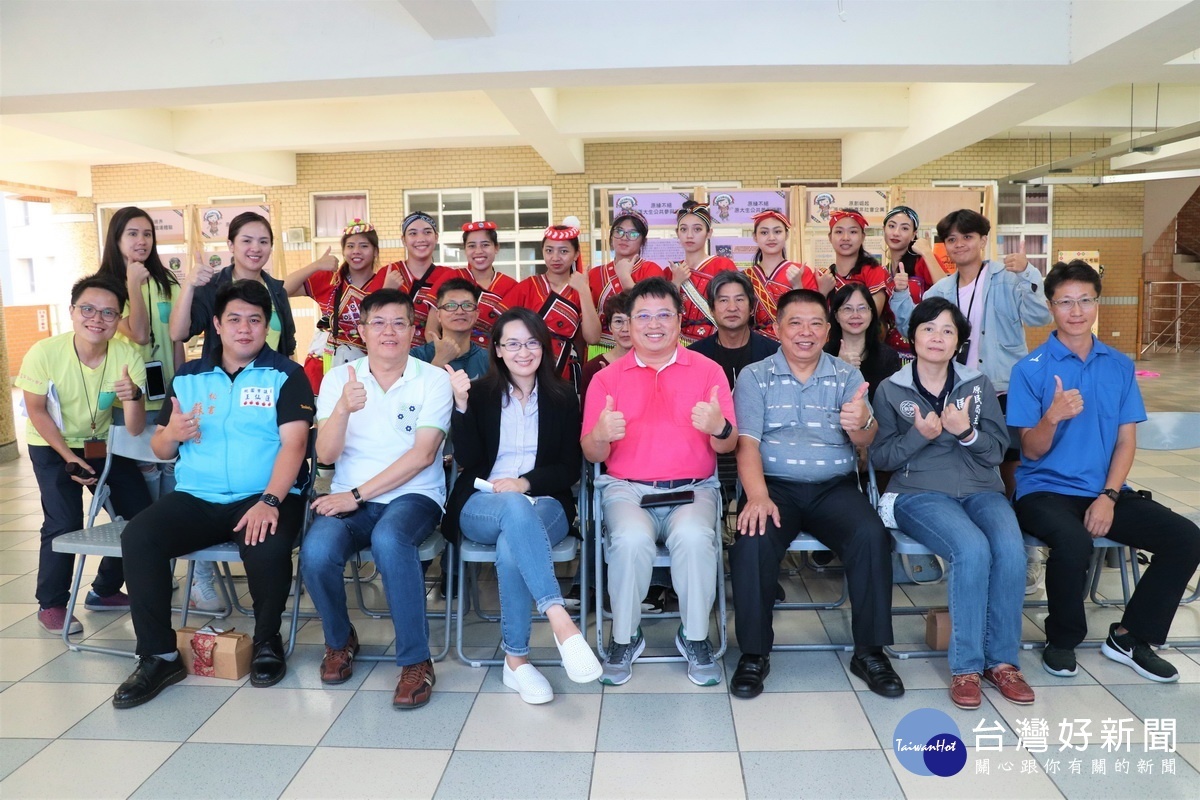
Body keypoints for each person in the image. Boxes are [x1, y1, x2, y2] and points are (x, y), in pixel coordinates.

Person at [113, 281, 314, 707]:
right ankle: (159, 655)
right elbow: (161, 449)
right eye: (235, 319)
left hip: (264, 493)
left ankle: (266, 642)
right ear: (218, 325)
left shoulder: (287, 375)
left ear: (267, 327)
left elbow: (295, 445)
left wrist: (271, 501)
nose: (245, 329)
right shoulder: (189, 377)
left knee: (266, 543)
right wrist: (171, 433)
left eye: (255, 320)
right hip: (198, 497)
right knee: (139, 537)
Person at [1009, 260, 1200, 683]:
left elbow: (1125, 441)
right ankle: (1061, 641)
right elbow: (1030, 450)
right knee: (1073, 542)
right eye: (1065, 302)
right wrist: (1052, 417)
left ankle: (1131, 637)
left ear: (1097, 303)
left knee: (1186, 538)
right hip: (1044, 491)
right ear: (1051, 306)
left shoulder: (1118, 365)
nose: (1076, 311)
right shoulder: (1031, 368)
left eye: (1085, 300)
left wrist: (1109, 496)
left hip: (1105, 490)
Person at [729, 288, 902, 700]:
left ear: (828, 330)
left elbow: (865, 441)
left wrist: (863, 422)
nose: (805, 332)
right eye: (795, 323)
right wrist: (756, 495)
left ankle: (870, 652)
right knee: (751, 542)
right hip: (774, 488)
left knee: (871, 537)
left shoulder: (847, 376)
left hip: (834, 488)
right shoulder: (755, 376)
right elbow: (747, 444)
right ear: (776, 329)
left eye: (815, 324)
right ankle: (753, 653)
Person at [872, 298, 1032, 710]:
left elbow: (997, 451)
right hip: (917, 492)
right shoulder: (891, 389)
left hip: (981, 488)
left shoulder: (978, 385)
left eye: (947, 330)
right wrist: (919, 436)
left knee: (1012, 550)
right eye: (928, 328)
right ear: (913, 336)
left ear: (959, 340)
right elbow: (882, 458)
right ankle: (965, 666)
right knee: (971, 549)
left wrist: (966, 433)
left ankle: (1003, 663)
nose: (937, 337)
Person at [298, 289, 453, 709]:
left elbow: (423, 455)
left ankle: (416, 661)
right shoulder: (338, 380)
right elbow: (326, 456)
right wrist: (344, 410)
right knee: (315, 551)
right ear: (362, 331)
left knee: (389, 539)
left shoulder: (433, 379)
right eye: (378, 323)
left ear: (412, 330)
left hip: (414, 496)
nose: (389, 332)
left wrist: (356, 494)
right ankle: (339, 639)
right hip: (350, 497)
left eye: (399, 323)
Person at [581, 277, 737, 687]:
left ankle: (696, 637)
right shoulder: (606, 379)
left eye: (664, 314)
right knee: (630, 541)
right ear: (628, 325)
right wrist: (600, 435)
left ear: (680, 321)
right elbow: (591, 454)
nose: (654, 324)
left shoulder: (708, 370)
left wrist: (719, 427)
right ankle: (625, 637)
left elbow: (729, 445)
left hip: (694, 489)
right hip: (627, 490)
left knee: (695, 539)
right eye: (643, 316)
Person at [443, 308, 603, 703]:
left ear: (543, 348)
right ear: (497, 350)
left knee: (512, 541)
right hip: (482, 502)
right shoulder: (479, 394)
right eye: (512, 343)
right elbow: (467, 456)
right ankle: (561, 621)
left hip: (545, 503)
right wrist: (460, 407)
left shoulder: (564, 396)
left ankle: (516, 662)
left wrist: (524, 483)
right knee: (513, 509)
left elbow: (568, 466)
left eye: (531, 342)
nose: (523, 351)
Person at [914, 208, 1052, 587]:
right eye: (952, 239)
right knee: (963, 465)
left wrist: (1029, 272)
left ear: (982, 240)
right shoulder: (942, 289)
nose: (959, 245)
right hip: (958, 391)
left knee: (1011, 468)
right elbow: (919, 325)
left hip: (1005, 387)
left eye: (967, 237)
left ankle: (1026, 553)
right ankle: (968, 547)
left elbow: (1041, 316)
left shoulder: (1008, 277)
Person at [97, 207, 224, 612]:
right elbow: (137, 333)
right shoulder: (107, 288)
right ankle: (145, 569)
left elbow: (174, 338)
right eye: (132, 234)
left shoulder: (165, 281)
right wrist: (132, 284)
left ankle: (169, 567)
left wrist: (182, 384)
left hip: (167, 394)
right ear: (116, 239)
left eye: (147, 234)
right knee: (145, 498)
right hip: (130, 397)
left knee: (174, 480)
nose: (141, 241)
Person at [17, 275, 151, 636]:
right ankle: (52, 603)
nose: (97, 319)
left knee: (140, 516)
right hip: (51, 444)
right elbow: (37, 410)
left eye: (109, 313)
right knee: (64, 521)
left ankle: (104, 590)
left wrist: (133, 397)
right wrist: (68, 457)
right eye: (88, 309)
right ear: (72, 311)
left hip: (101, 444)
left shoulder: (127, 356)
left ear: (118, 318)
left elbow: (136, 429)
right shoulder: (45, 352)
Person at [170, 211, 297, 363]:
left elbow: (288, 348)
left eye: (263, 242)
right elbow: (178, 334)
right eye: (247, 241)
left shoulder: (277, 291)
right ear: (231, 245)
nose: (256, 248)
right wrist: (189, 285)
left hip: (270, 382)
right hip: (223, 383)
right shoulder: (212, 288)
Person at [501, 220, 601, 383]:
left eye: (563, 251)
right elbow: (502, 327)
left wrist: (583, 291)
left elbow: (593, 338)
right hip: (528, 365)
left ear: (576, 254)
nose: (555, 257)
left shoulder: (582, 290)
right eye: (549, 250)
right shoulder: (527, 286)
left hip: (567, 369)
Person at [283, 219, 390, 368]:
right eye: (350, 246)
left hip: (366, 366)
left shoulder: (385, 283)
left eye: (364, 246)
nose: (356, 251)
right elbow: (281, 289)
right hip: (323, 365)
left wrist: (388, 292)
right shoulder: (329, 279)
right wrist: (316, 265)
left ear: (375, 251)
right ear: (343, 251)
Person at [380, 211, 471, 347]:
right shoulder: (388, 273)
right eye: (413, 233)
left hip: (435, 355)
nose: (421, 238)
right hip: (392, 352)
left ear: (436, 237)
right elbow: (370, 320)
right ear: (403, 239)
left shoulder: (449, 275)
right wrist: (386, 291)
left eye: (427, 232)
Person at [688, 270, 780, 390]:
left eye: (739, 300)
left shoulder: (775, 354)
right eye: (723, 300)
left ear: (752, 308)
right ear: (711, 309)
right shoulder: (695, 356)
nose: (732, 308)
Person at [588, 210, 666, 349]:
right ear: (611, 236)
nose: (624, 238)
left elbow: (648, 311)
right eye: (619, 231)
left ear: (643, 241)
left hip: (641, 347)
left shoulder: (651, 270)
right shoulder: (594, 274)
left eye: (633, 234)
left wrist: (625, 276)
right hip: (601, 347)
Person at [878, 205, 945, 356]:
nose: (896, 233)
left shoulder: (923, 262)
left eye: (904, 228)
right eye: (891, 226)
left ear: (914, 234)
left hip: (925, 348)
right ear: (884, 229)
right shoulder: (882, 271)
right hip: (892, 351)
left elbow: (948, 290)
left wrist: (927, 252)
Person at [669, 200, 737, 344]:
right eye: (683, 229)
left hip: (716, 342)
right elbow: (664, 311)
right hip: (677, 343)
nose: (689, 235)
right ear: (677, 233)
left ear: (709, 233)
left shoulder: (723, 265)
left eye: (697, 229)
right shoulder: (671, 270)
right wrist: (675, 282)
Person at [744, 210, 816, 339]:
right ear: (755, 236)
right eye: (764, 232)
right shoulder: (745, 276)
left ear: (786, 235)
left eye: (777, 232)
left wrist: (797, 286)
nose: (771, 237)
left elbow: (813, 313)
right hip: (754, 343)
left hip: (792, 342)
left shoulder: (802, 271)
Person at [824, 284, 901, 402]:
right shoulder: (823, 356)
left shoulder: (888, 357)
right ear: (836, 316)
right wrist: (839, 369)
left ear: (871, 314)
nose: (855, 315)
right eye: (847, 309)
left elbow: (892, 404)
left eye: (862, 308)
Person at [410, 278, 490, 379]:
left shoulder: (489, 360)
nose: (460, 311)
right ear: (438, 315)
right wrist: (439, 361)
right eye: (451, 305)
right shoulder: (416, 357)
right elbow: (410, 394)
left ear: (476, 314)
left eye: (467, 305)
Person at [819, 209, 890, 316]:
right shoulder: (823, 276)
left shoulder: (873, 272)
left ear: (862, 237)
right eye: (839, 232)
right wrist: (822, 293)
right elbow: (814, 318)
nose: (845, 238)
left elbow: (873, 316)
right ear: (830, 237)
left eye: (853, 232)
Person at [461, 221, 517, 347]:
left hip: (495, 358)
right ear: (464, 249)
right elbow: (433, 328)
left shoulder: (511, 286)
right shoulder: (453, 277)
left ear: (496, 247)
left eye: (485, 245)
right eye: (471, 246)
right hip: (454, 358)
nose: (478, 251)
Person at [580, 291, 633, 397]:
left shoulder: (653, 365)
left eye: (631, 321)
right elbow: (588, 412)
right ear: (609, 327)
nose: (625, 329)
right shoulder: (593, 368)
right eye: (618, 321)